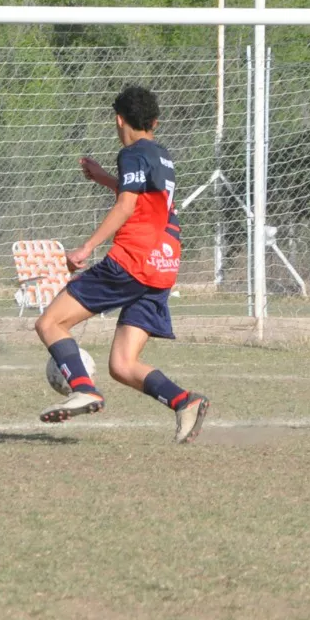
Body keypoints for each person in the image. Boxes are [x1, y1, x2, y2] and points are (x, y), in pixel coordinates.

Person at [33, 85, 210, 444]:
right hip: (164, 263)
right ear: (154, 122)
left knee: (50, 322)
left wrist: (85, 248)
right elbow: (144, 199)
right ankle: (184, 401)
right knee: (123, 365)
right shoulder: (163, 155)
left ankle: (83, 388)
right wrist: (103, 179)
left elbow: (128, 206)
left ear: (118, 119)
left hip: (133, 260)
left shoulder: (130, 153)